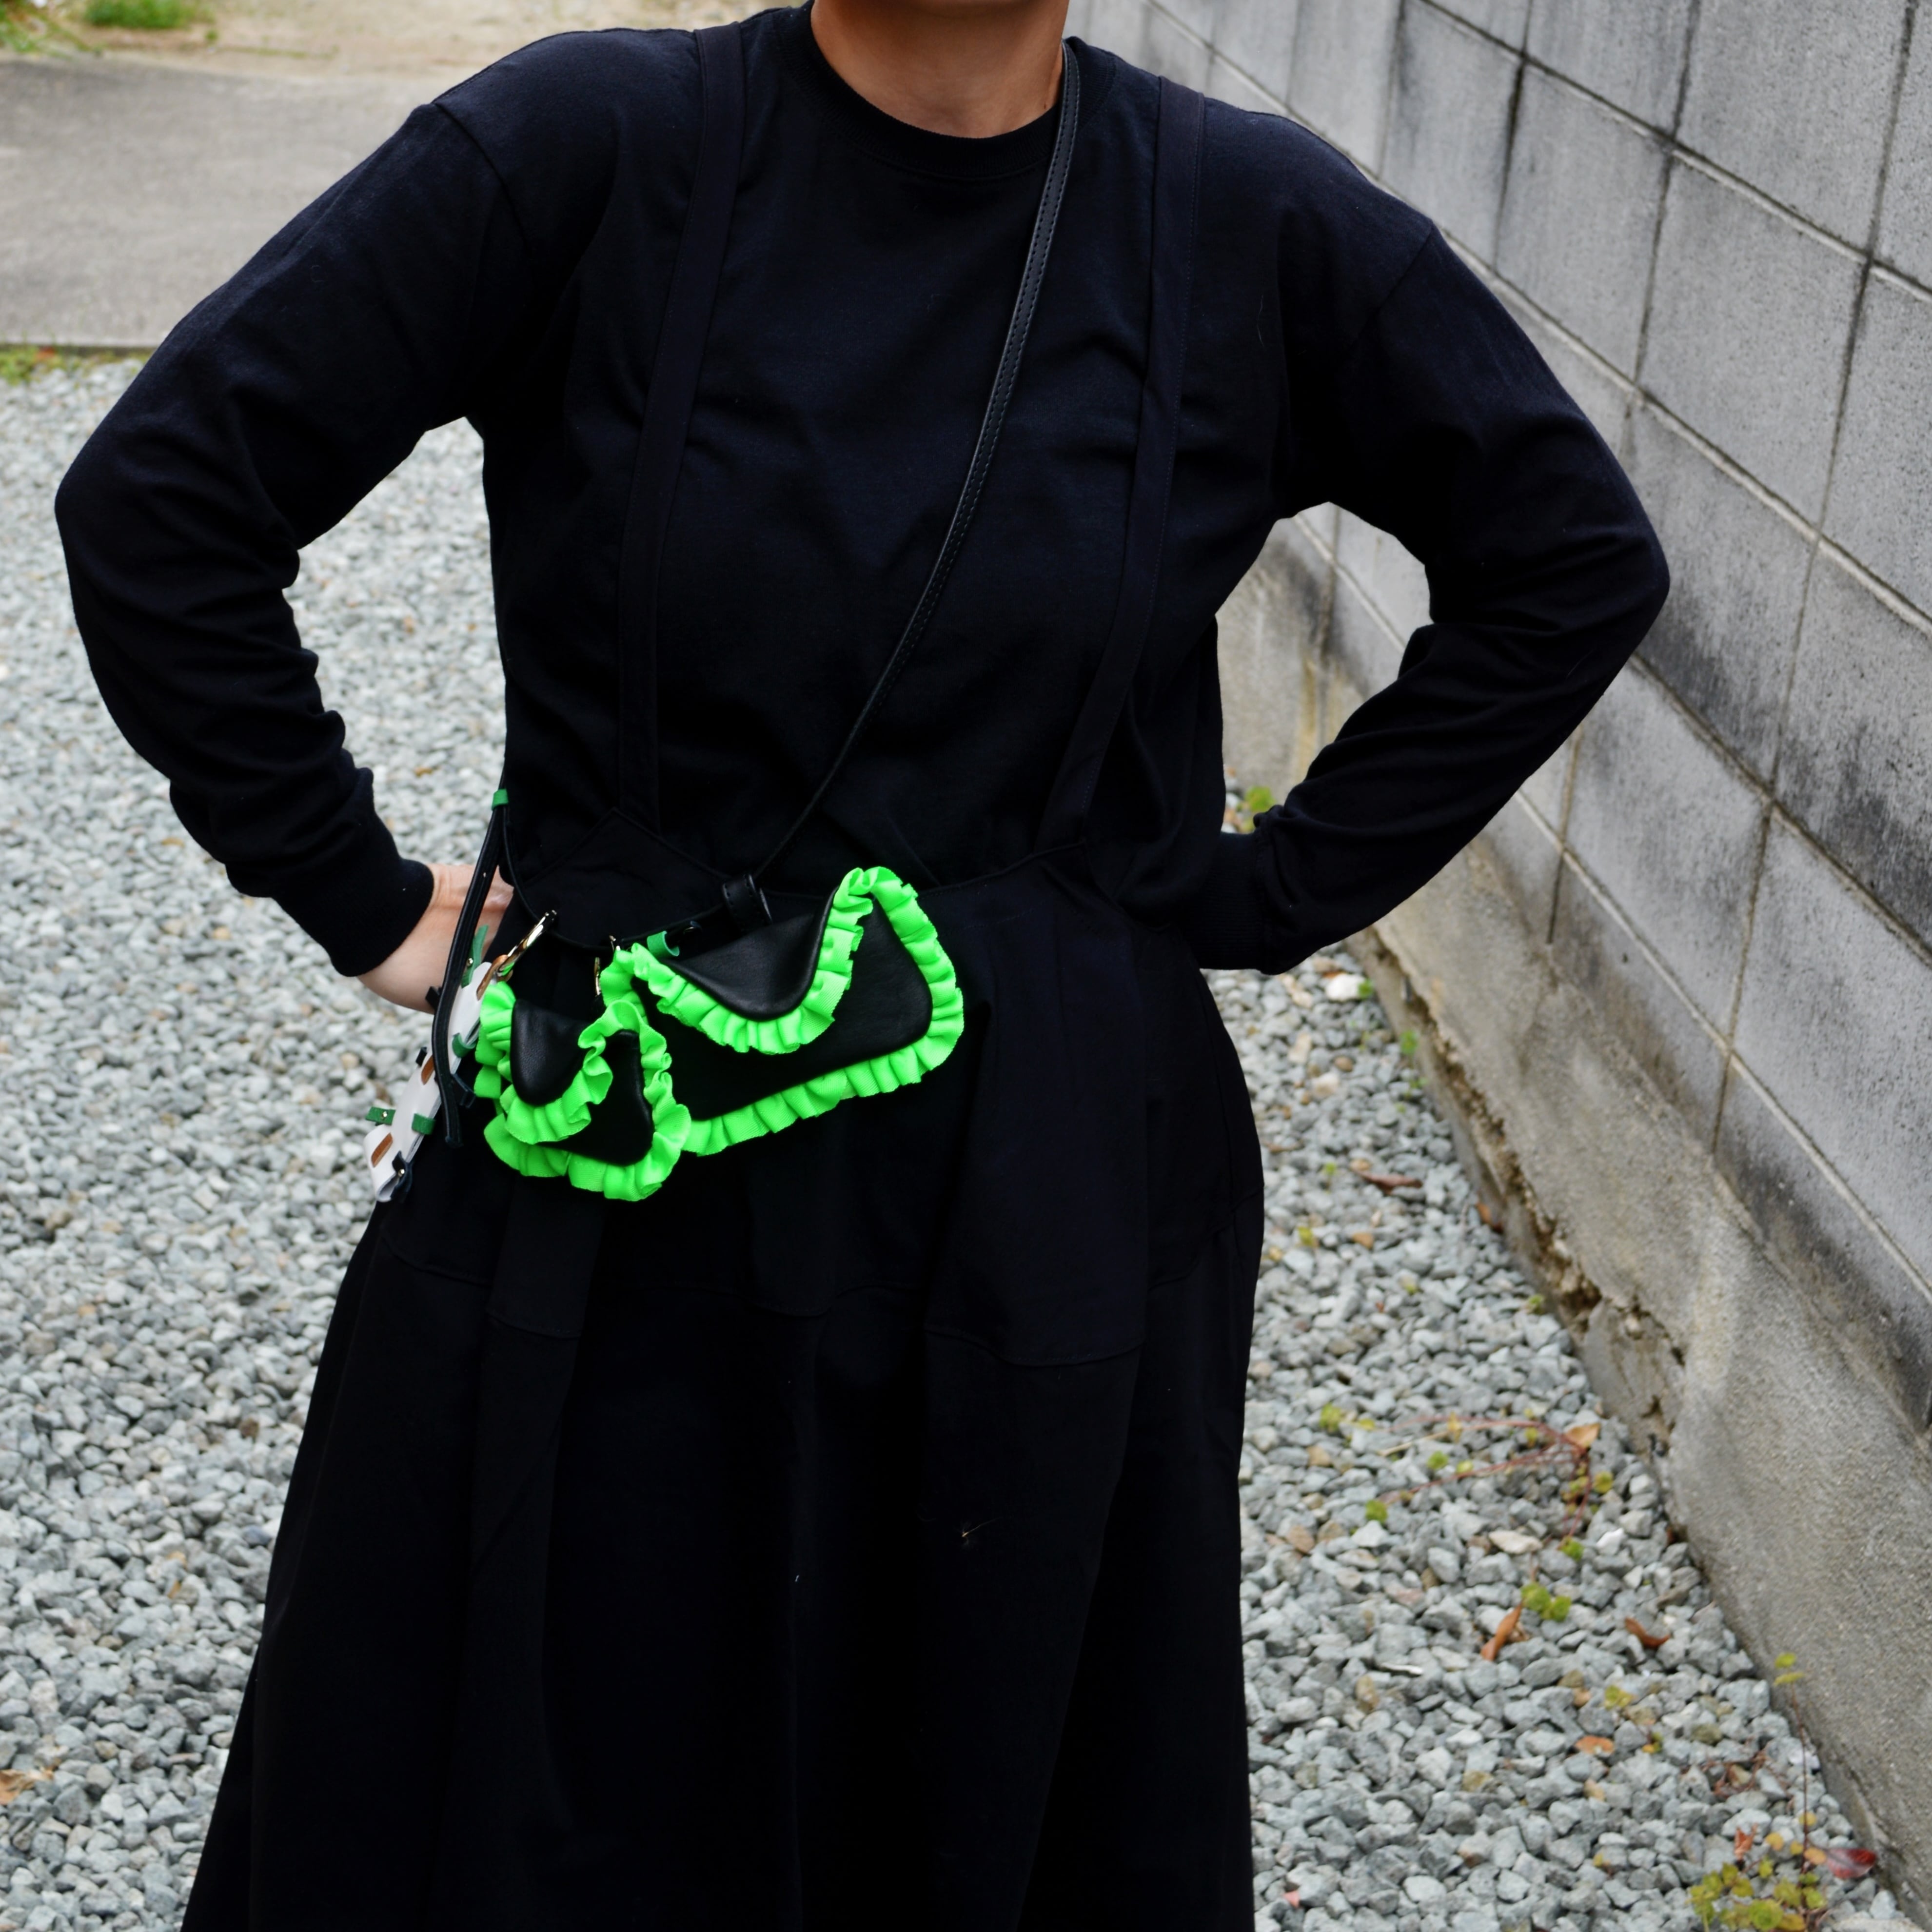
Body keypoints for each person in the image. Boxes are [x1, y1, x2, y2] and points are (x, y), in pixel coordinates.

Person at [55, 0, 1668, 1921]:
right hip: (626, 1130)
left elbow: (1566, 551)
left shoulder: (1244, 221)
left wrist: (1272, 890)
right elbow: (164, 496)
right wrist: (366, 897)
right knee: (541, 1746)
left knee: (978, 1771)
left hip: (1044, 1178)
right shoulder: (589, 147)